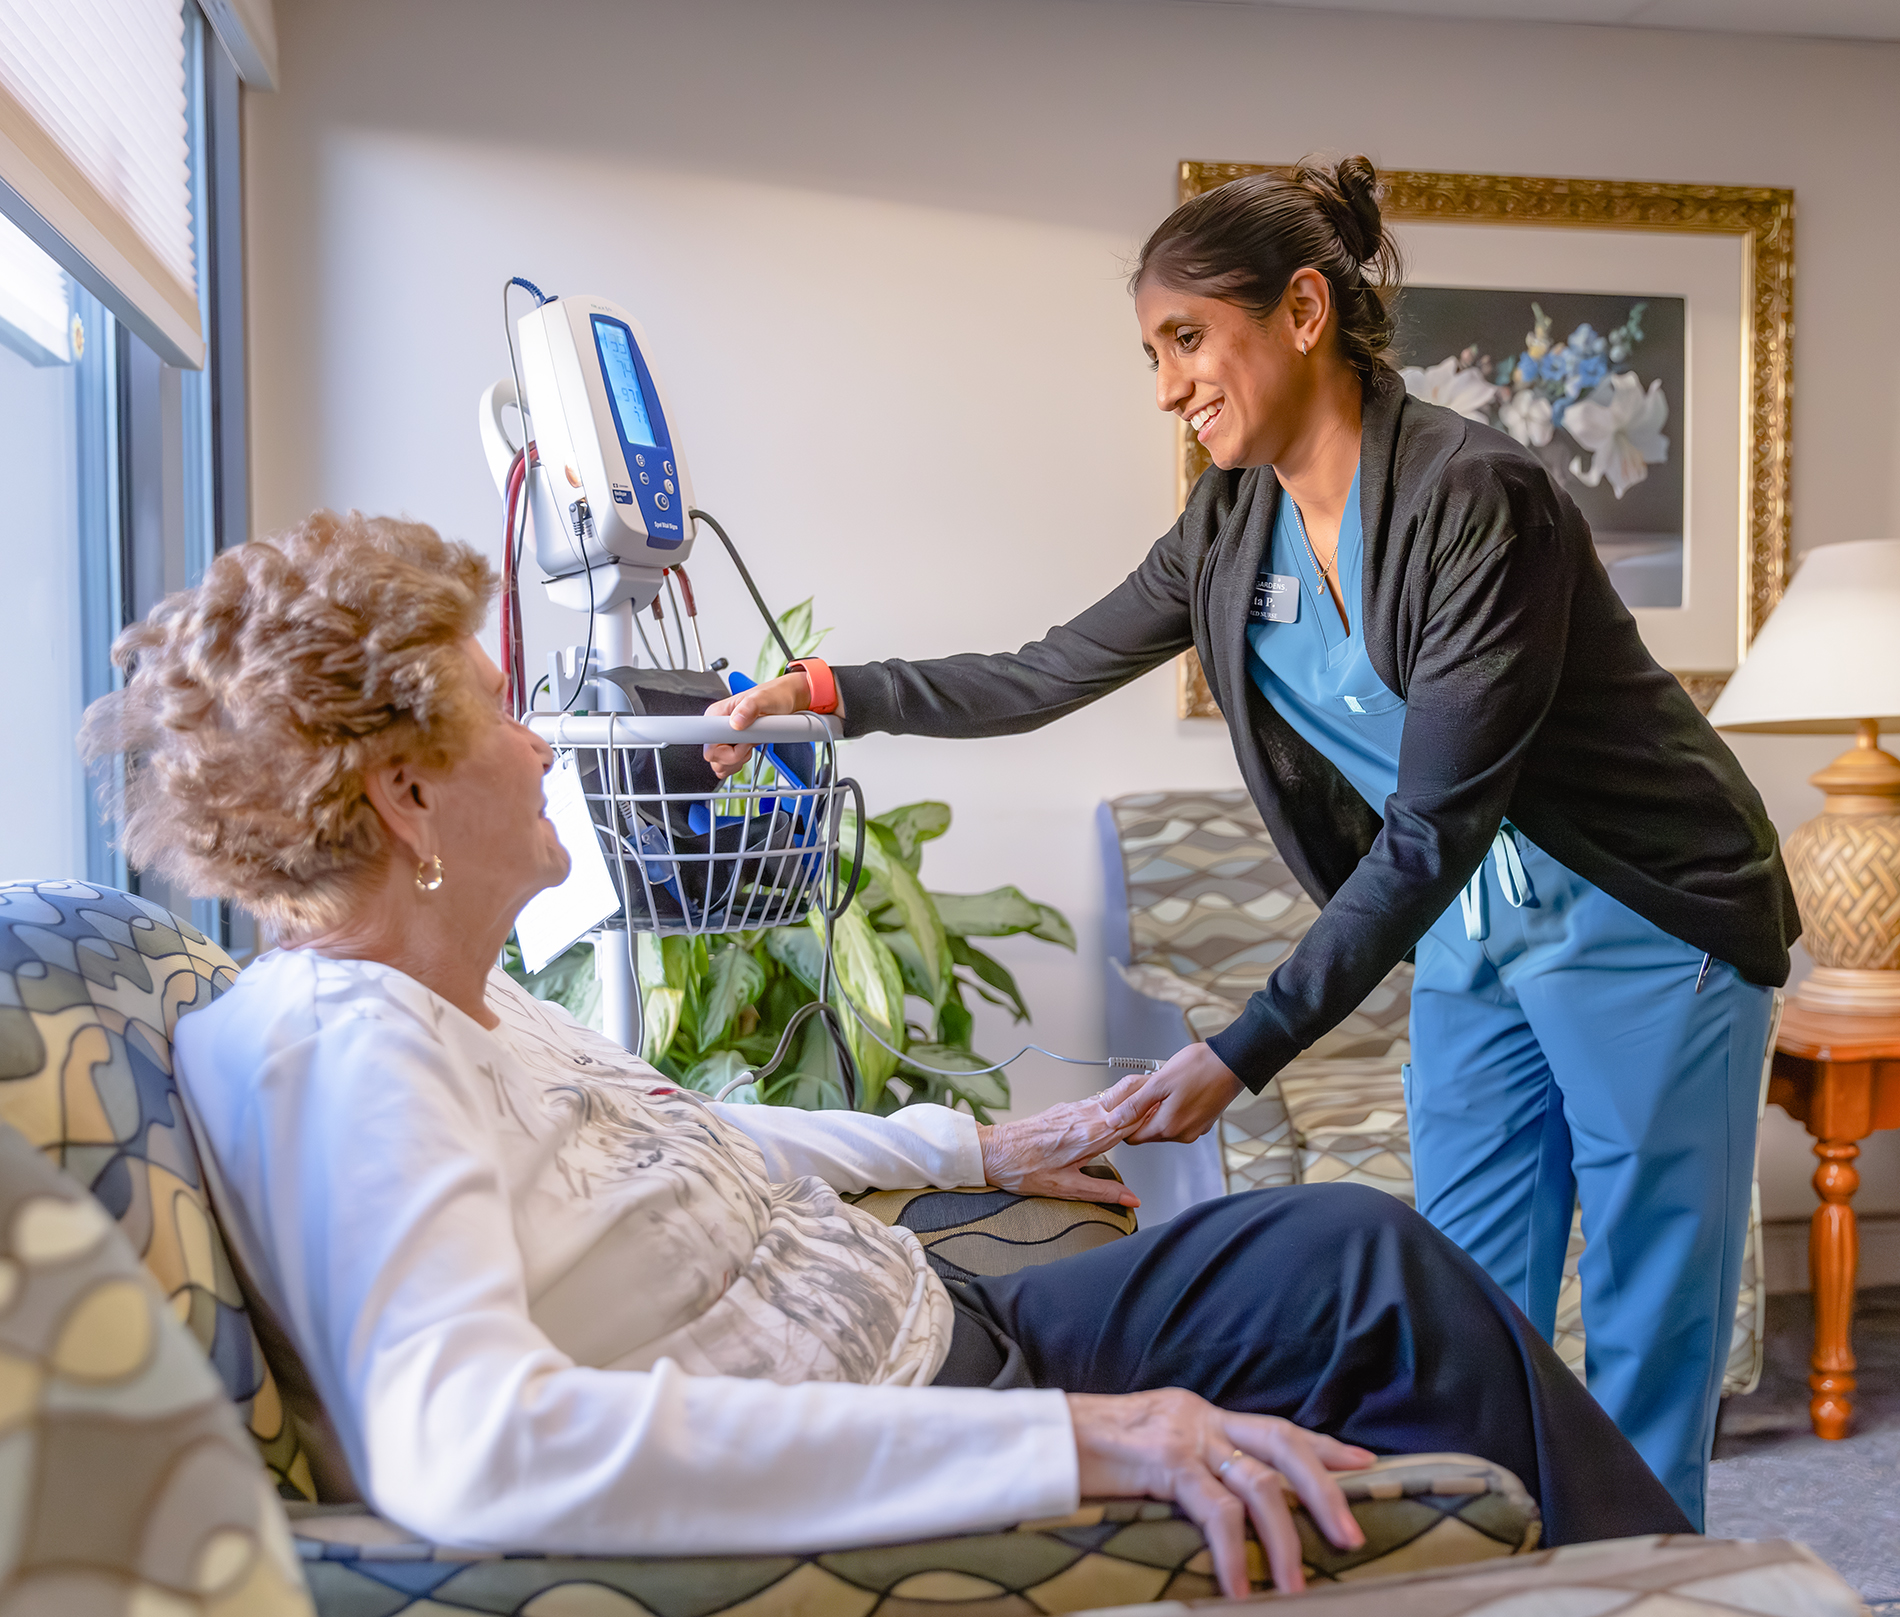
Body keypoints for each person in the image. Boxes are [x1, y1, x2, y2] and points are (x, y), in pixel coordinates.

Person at [81, 511, 1686, 1592]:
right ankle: (1669, 1590)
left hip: (940, 1321)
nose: (545, 740)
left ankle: (1638, 1582)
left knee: (1355, 1255)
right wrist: (1094, 1437)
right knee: (1378, 1295)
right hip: (935, 1406)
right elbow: (474, 1442)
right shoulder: (344, 1054)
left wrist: (975, 1150)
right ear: (406, 802)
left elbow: (691, 1136)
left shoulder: (449, 992)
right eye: (502, 713)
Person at [709, 156, 1799, 1530]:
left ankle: (1652, 1573)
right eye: (1153, 350)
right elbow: (1044, 669)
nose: (1167, 384)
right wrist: (829, 695)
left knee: (1650, 1312)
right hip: (1469, 937)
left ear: (1299, 312)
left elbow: (1430, 823)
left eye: (1184, 339)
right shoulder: (1232, 525)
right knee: (1462, 1292)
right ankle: (1494, 1559)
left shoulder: (1478, 496)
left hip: (1646, 922)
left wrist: (1238, 1051)